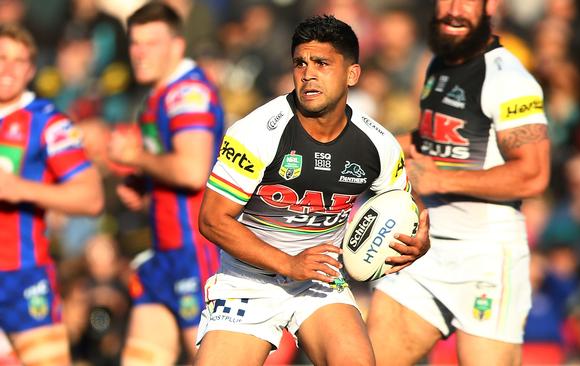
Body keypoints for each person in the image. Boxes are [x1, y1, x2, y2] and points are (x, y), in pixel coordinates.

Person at [194, 15, 430, 366]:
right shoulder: (257, 132)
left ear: (352, 74)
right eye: (300, 63)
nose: (308, 74)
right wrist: (289, 263)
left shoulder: (378, 144)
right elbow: (212, 220)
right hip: (248, 279)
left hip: (318, 281)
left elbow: (403, 205)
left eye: (322, 63)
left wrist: (417, 240)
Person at [366, 0, 551, 365]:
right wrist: (362, 150)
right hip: (424, 248)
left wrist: (439, 180)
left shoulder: (509, 79)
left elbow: (533, 175)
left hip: (487, 258)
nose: (453, 9)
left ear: (490, 5)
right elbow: (430, 139)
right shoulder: (439, 62)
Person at [107, 3, 224, 365]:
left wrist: (135, 157)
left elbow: (192, 171)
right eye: (135, 43)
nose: (139, 53)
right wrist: (143, 183)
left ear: (176, 44)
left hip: (196, 252)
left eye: (151, 43)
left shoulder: (187, 94)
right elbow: (170, 169)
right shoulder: (155, 98)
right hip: (164, 252)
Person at [0, 23, 103, 365]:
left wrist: (19, 189)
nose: (9, 68)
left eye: (19, 60)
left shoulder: (47, 123)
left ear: (31, 70)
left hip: (23, 276)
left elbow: (91, 198)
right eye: (2, 57)